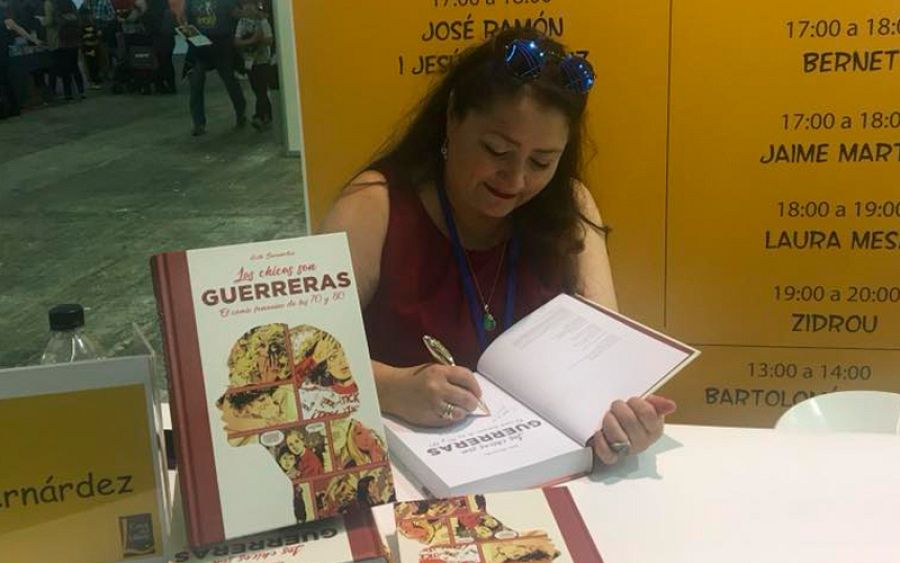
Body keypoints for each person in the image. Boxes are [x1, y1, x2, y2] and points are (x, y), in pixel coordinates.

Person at [320, 28, 676, 466]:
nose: (516, 180)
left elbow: (607, 353)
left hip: (538, 472)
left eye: (542, 162)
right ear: (453, 118)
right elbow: (305, 361)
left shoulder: (570, 208)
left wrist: (626, 423)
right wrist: (392, 388)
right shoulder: (376, 206)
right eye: (496, 150)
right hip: (404, 476)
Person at [181, 0, 246, 136]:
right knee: (196, 82)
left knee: (229, 80)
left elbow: (237, 14)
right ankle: (198, 123)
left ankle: (241, 114)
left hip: (221, 44)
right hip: (200, 45)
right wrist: (186, 29)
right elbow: (184, 17)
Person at [233, 0, 271, 131]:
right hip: (249, 61)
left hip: (263, 61)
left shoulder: (263, 21)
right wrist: (253, 40)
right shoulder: (241, 23)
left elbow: (269, 40)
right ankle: (267, 114)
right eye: (245, 5)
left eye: (251, 5)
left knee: (261, 90)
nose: (248, 8)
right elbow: (237, 41)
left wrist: (258, 39)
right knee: (257, 90)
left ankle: (259, 116)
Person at [44, 0, 83, 101]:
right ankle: (81, 91)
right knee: (74, 65)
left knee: (65, 67)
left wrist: (42, 21)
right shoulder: (69, 2)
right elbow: (77, 17)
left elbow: (49, 21)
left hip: (61, 37)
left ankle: (68, 94)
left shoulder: (50, 3)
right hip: (74, 36)